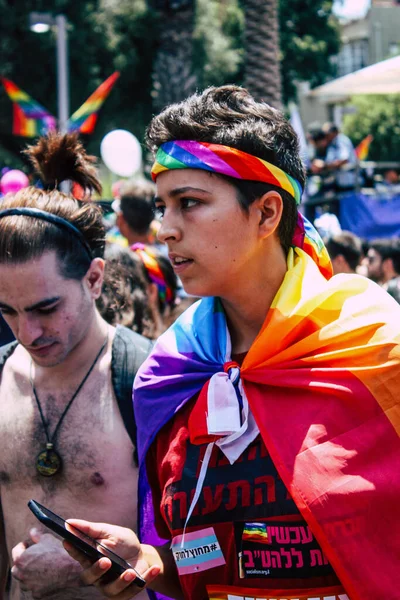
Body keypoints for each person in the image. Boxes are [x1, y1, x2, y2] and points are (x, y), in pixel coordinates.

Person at [65, 86, 400, 600]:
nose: (166, 229)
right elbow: (205, 554)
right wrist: (152, 561)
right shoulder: (172, 372)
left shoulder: (375, 348)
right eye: (161, 206)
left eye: (189, 204)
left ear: (267, 213)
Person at [0, 132, 152, 600]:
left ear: (93, 278)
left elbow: (201, 547)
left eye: (46, 309)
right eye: (7, 311)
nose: (27, 333)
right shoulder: (1, 377)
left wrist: (84, 565)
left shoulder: (148, 379)